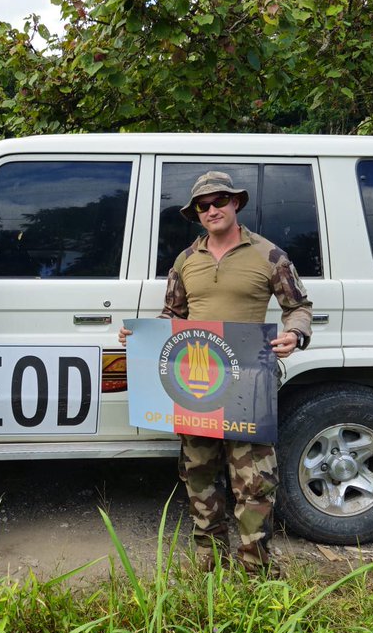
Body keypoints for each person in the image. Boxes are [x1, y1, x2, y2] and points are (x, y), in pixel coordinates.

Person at [119, 170, 312, 574]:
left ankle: (255, 568)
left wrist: (295, 333)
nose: (212, 210)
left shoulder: (269, 255)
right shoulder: (186, 260)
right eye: (203, 206)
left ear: (235, 203)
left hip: (250, 382)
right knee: (199, 472)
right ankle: (209, 561)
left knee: (255, 480)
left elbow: (299, 306)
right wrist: (141, 336)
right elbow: (172, 316)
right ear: (197, 214)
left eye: (219, 201)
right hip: (197, 383)